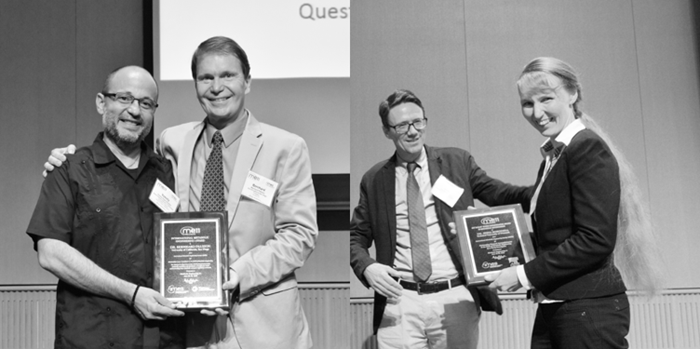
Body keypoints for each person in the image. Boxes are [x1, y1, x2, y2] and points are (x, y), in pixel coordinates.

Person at [45, 36, 318, 349]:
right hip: (192, 328)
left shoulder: (285, 147)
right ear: (196, 84)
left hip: (264, 324)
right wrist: (64, 157)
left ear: (248, 81)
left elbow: (300, 234)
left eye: (228, 75)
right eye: (206, 77)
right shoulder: (171, 141)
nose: (217, 87)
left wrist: (236, 274)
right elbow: (127, 168)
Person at [485, 57, 662, 349]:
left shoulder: (586, 147)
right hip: (559, 305)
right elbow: (558, 235)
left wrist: (523, 274)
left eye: (546, 99)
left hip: (586, 310)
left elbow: (595, 239)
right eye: (527, 103)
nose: (536, 112)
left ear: (572, 94)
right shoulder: (554, 158)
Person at [350, 89, 532, 349]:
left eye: (418, 121)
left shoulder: (457, 162)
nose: (413, 131)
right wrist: (366, 266)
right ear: (387, 131)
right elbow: (356, 237)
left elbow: (501, 193)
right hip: (399, 300)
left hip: (454, 297)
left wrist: (544, 190)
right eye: (402, 125)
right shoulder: (374, 178)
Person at [27, 66, 185, 348]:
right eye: (124, 98)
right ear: (102, 102)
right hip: (93, 338)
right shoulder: (69, 169)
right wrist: (132, 294)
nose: (135, 111)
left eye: (145, 103)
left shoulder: (166, 172)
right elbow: (51, 254)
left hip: (163, 339)